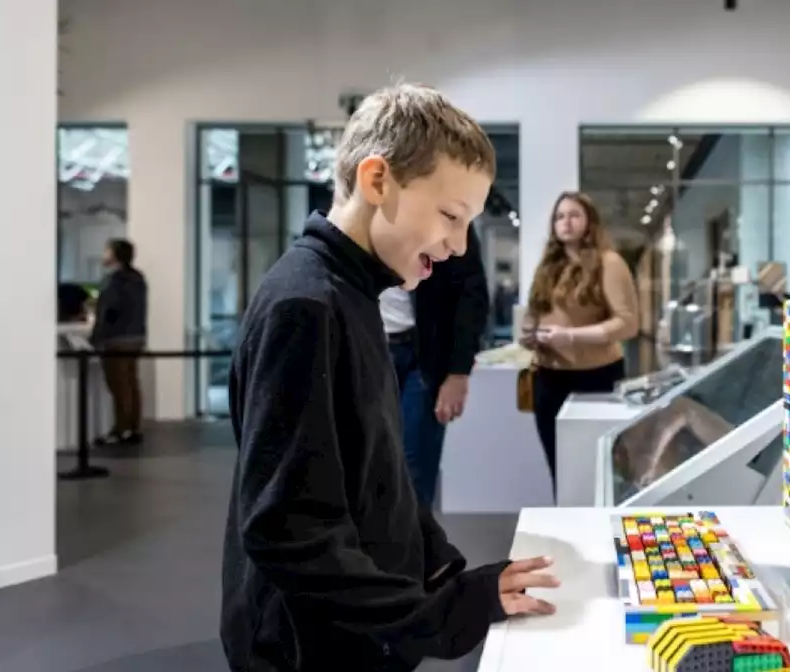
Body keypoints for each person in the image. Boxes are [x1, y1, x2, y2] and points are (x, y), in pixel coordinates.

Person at [220, 84, 557, 672]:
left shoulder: (352, 293)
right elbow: (288, 530)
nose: (456, 247)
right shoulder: (306, 305)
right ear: (378, 182)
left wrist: (448, 573)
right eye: (451, 218)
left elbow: (378, 476)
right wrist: (440, 615)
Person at [521, 191, 639, 487]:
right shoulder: (548, 267)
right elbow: (535, 313)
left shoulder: (609, 263)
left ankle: (600, 526)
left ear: (590, 222)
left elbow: (627, 324)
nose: (566, 222)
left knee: (600, 469)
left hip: (595, 378)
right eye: (560, 217)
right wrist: (530, 334)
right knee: (559, 467)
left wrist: (570, 336)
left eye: (574, 215)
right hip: (548, 378)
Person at [380, 223, 488, 510]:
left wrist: (458, 371)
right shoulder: (361, 212)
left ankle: (413, 553)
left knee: (414, 474)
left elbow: (471, 295)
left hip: (423, 357)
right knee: (368, 469)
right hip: (369, 349)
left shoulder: (441, 212)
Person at [91, 238, 148, 446]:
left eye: (106, 251)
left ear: (115, 255)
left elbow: (108, 311)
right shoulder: (138, 278)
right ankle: (133, 428)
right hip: (136, 338)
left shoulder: (113, 280)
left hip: (116, 339)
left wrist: (96, 337)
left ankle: (120, 430)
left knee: (119, 386)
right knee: (131, 384)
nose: (103, 255)